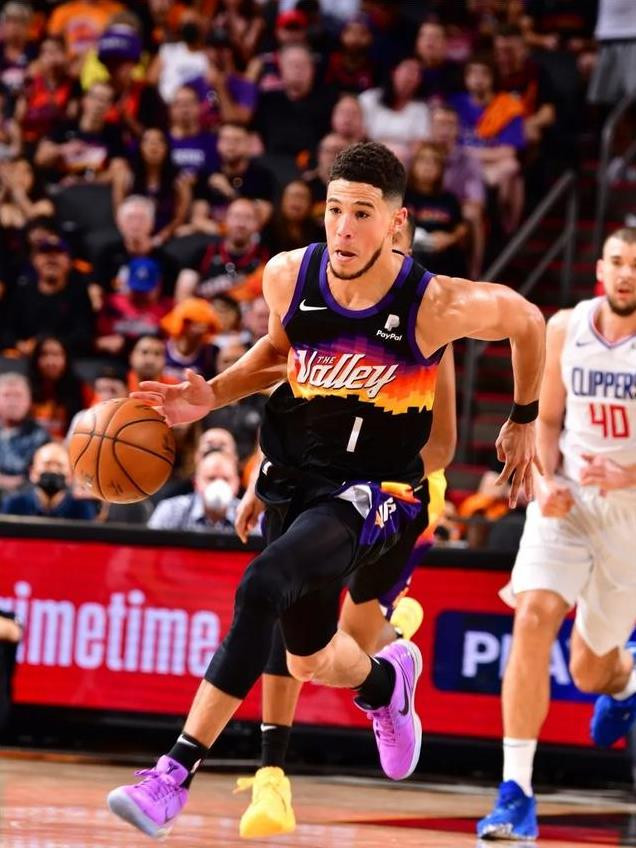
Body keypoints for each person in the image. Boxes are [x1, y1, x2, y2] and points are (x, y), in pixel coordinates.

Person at [109, 141, 544, 839]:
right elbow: (281, 356)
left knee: (261, 585)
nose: (343, 228)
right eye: (335, 210)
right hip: (298, 479)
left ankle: (173, 774)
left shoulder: (432, 303)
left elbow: (527, 321)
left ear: (396, 223)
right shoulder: (289, 274)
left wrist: (523, 417)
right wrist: (212, 395)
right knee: (308, 655)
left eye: (362, 214)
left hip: (381, 490)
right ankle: (386, 684)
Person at [477, 227, 636, 841]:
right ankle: (515, 793)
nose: (626, 274)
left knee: (591, 671)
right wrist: (543, 485)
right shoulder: (567, 327)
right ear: (601, 268)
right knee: (533, 614)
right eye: (617, 262)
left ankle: (625, 682)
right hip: (566, 501)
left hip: (628, 512)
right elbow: (543, 422)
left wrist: (626, 474)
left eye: (635, 266)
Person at [148, 449, 243, 533]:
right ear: (196, 482)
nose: (219, 485)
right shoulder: (170, 510)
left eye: (226, 479)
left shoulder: (247, 516)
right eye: (211, 478)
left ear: (237, 483)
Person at [1, 441, 99, 520]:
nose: (53, 470)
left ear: (70, 475)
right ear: (32, 472)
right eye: (47, 464)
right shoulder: (13, 505)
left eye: (60, 465)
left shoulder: (82, 509)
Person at [0, 372, 50, 496]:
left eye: (18, 396)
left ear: (29, 400)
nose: (12, 402)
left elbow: (41, 477)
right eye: (6, 395)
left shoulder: (40, 436)